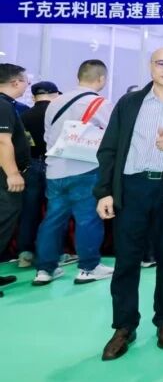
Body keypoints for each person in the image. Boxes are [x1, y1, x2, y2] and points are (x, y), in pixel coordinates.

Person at [94, 48, 163, 360]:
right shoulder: (129, 102)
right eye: (161, 63)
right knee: (126, 261)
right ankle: (124, 326)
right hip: (132, 187)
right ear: (150, 66)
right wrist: (104, 192)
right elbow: (109, 148)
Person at [33, 61, 114, 287]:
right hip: (86, 168)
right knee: (87, 219)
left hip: (54, 169)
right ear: (101, 79)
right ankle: (88, 268)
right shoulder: (100, 103)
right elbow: (112, 135)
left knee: (52, 219)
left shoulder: (55, 102)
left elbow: (48, 137)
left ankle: (45, 269)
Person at [16, 81, 59, 268]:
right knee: (53, 212)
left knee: (29, 210)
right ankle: (51, 253)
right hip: (54, 165)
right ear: (55, 94)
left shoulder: (23, 115)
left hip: (31, 165)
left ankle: (24, 253)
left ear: (34, 96)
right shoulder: (57, 114)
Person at [0, 64, 32, 297]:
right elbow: (2, 141)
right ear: (15, 82)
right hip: (3, 176)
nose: (26, 86)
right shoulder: (3, 106)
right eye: (25, 82)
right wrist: (12, 172)